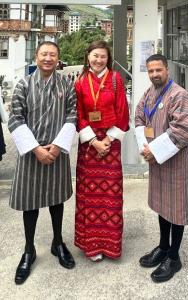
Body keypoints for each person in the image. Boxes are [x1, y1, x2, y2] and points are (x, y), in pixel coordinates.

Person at [8, 41, 77, 285]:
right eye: (44, 54)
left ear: (58, 59)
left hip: (57, 150)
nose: (48, 58)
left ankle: (58, 242)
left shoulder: (66, 85)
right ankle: (29, 250)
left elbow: (72, 115)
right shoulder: (23, 85)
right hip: (31, 152)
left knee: (56, 200)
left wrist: (56, 147)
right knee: (31, 203)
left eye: (53, 55)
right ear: (36, 57)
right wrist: (36, 149)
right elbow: (15, 119)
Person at [135, 54, 188, 283]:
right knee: (163, 205)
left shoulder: (179, 95)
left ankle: (174, 257)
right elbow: (139, 117)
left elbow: (182, 129)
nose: (154, 74)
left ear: (167, 70)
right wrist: (144, 146)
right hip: (156, 161)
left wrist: (154, 151)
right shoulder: (149, 93)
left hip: (174, 162)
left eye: (158, 70)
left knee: (176, 208)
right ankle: (163, 247)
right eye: (151, 71)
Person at [74, 40, 129, 262]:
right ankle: (91, 244)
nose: (99, 60)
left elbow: (123, 112)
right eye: (95, 56)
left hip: (111, 145)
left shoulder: (115, 80)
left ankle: (110, 245)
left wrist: (107, 139)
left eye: (103, 57)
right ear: (88, 56)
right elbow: (78, 114)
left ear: (108, 59)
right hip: (89, 146)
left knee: (110, 196)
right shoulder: (79, 82)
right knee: (89, 196)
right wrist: (94, 141)